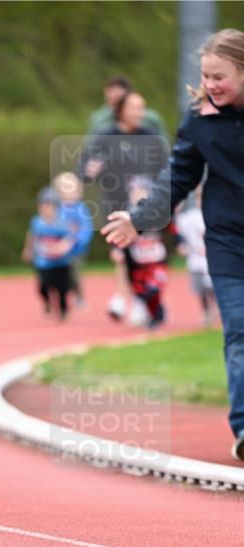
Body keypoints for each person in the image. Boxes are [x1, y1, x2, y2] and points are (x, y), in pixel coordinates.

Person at [102, 29, 244, 462]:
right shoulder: (200, 119)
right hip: (229, 243)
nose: (212, 84)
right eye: (206, 75)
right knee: (239, 331)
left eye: (220, 76)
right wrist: (138, 218)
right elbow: (176, 179)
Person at [82, 90, 169, 322]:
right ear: (120, 110)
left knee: (146, 256)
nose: (139, 113)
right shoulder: (104, 137)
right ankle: (130, 298)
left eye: (142, 107)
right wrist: (89, 171)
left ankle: (145, 299)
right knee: (121, 256)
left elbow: (169, 171)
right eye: (134, 108)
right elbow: (84, 169)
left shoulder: (152, 138)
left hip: (147, 208)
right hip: (115, 205)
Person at [118, 175, 168, 329]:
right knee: (140, 291)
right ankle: (152, 314)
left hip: (155, 260)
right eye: (133, 192)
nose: (137, 195)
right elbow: (120, 234)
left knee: (153, 288)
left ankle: (158, 314)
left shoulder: (157, 212)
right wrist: (118, 249)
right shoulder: (127, 214)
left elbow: (171, 228)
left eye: (141, 191)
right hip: (138, 261)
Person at [22, 188, 75, 320]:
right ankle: (47, 302)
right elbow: (32, 236)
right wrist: (28, 250)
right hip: (44, 262)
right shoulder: (37, 222)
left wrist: (63, 247)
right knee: (43, 287)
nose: (47, 210)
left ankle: (63, 310)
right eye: (44, 206)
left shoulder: (62, 224)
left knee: (62, 289)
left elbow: (70, 238)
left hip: (61, 263)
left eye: (51, 206)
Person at [175, 188, 216, 327]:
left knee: (214, 288)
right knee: (201, 290)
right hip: (196, 259)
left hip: (213, 259)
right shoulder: (190, 217)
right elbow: (178, 227)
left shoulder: (215, 215)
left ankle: (216, 310)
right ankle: (206, 313)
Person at [52, 172, 92, 308]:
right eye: (64, 186)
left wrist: (73, 242)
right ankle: (59, 299)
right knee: (56, 276)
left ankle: (79, 297)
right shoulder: (55, 209)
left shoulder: (81, 209)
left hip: (76, 251)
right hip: (56, 250)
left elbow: (86, 230)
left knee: (73, 274)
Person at [87, 75, 168, 139]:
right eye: (111, 98)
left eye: (119, 100)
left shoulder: (151, 119)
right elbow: (90, 148)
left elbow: (164, 145)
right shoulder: (98, 119)